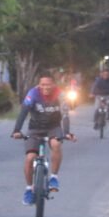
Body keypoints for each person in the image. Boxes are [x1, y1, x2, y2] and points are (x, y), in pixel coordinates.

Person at [11, 73, 75, 206]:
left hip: (53, 127)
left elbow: (65, 115)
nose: (45, 87)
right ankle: (29, 189)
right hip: (35, 128)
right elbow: (24, 111)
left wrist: (67, 132)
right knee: (30, 158)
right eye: (42, 84)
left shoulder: (60, 94)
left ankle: (54, 178)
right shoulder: (33, 93)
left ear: (54, 85)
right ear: (39, 85)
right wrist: (17, 130)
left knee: (56, 144)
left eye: (48, 84)